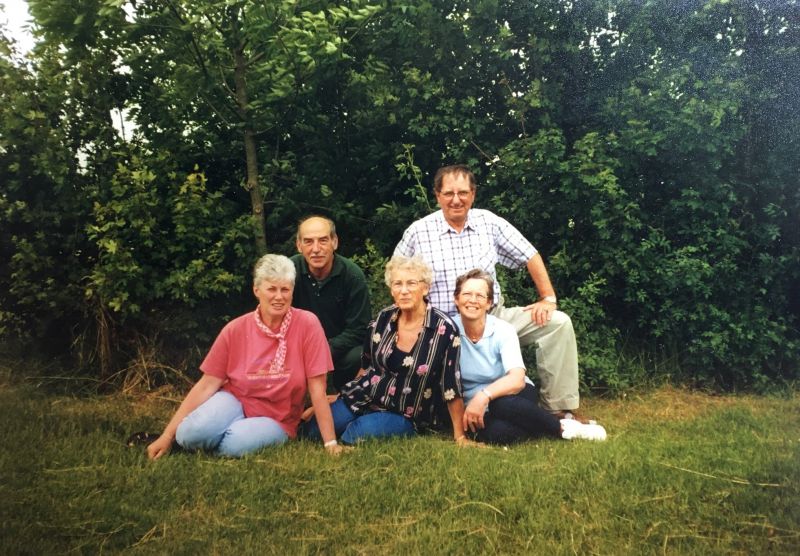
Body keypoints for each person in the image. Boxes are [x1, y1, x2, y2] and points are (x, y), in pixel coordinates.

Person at [394, 164, 582, 419]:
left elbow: (530, 254)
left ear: (473, 194)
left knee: (557, 323)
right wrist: (409, 319)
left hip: (494, 318)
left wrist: (547, 299)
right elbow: (397, 274)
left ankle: (557, 408)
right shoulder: (419, 231)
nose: (456, 200)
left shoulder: (489, 222)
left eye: (463, 192)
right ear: (437, 196)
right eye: (448, 193)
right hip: (443, 327)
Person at [146, 254, 343, 459]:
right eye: (271, 289)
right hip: (236, 400)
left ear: (292, 291)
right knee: (189, 435)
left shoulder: (308, 324)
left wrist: (330, 442)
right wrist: (167, 436)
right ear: (256, 290)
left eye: (285, 289)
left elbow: (317, 388)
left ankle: (223, 435)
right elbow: (207, 384)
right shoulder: (235, 328)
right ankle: (198, 437)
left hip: (277, 417)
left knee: (234, 446)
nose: (279, 297)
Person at [304, 255, 474, 445]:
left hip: (404, 411)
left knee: (355, 434)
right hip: (366, 395)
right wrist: (342, 397)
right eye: (397, 284)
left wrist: (460, 436)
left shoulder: (444, 329)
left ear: (425, 288)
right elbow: (366, 367)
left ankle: (357, 426)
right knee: (314, 431)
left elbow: (451, 385)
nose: (404, 291)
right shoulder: (382, 320)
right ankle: (349, 417)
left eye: (411, 284)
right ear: (391, 289)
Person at [453, 269, 606, 444]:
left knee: (501, 405)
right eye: (467, 294)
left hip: (512, 394)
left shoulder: (503, 329)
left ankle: (561, 430)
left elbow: (517, 380)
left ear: (489, 303)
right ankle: (539, 423)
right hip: (473, 405)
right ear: (456, 299)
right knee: (498, 433)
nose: (473, 300)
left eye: (480, 296)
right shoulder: (448, 331)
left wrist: (483, 396)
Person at [291, 216, 371, 390]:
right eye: (308, 242)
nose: (316, 249)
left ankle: (343, 398)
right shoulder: (289, 271)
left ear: (334, 242)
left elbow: (359, 328)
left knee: (356, 356)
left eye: (323, 240)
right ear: (299, 245)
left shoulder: (353, 275)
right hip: (298, 347)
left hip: (339, 347)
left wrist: (323, 350)